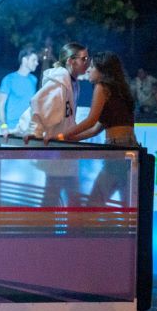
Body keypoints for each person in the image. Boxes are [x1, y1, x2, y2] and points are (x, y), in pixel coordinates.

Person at [14, 42, 90, 206]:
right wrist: (32, 132)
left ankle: (53, 227)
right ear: (71, 61)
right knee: (59, 198)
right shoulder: (59, 82)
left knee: (57, 197)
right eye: (83, 59)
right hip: (58, 150)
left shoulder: (71, 83)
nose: (87, 62)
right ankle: (53, 228)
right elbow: (38, 104)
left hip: (63, 150)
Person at [62, 51, 138, 205]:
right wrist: (71, 139)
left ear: (102, 71)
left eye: (92, 67)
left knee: (94, 203)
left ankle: (91, 230)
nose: (88, 69)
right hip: (130, 150)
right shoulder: (119, 91)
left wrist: (62, 136)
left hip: (117, 149)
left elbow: (91, 121)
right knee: (128, 207)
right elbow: (96, 128)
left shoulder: (102, 87)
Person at [0, 46, 38, 137]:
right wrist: (3, 126)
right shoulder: (8, 79)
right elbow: (1, 105)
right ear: (24, 60)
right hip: (13, 129)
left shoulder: (33, 80)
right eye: (34, 60)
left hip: (29, 130)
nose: (37, 63)